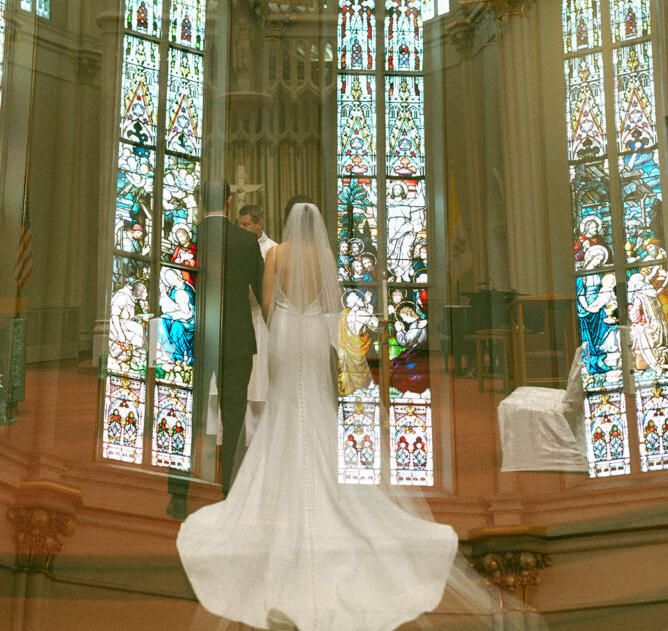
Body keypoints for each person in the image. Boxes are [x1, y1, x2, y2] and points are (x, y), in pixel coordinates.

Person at [177, 200, 500, 631]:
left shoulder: (275, 254)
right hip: (314, 334)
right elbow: (335, 306)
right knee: (319, 405)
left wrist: (284, 327)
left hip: (287, 335)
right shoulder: (325, 256)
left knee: (283, 406)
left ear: (287, 220)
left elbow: (270, 303)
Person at [167, 177, 263, 518]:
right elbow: (262, 293)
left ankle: (178, 494)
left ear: (198, 201)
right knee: (234, 413)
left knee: (185, 411)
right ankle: (232, 491)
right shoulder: (246, 240)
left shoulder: (187, 242)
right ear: (228, 203)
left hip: (193, 338)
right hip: (237, 335)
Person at [237, 202, 277, 436]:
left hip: (262, 319)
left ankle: (262, 434)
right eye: (239, 224)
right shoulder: (237, 245)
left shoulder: (273, 249)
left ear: (259, 224)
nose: (242, 228)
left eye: (246, 224)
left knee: (261, 377)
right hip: (243, 315)